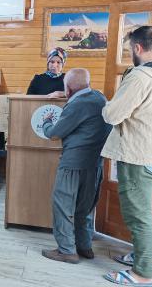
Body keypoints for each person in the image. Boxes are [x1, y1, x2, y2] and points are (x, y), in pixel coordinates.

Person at [100, 26, 152, 287]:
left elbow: (112, 115)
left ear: (137, 48)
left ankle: (143, 272)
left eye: (129, 49)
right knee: (144, 209)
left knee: (138, 215)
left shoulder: (140, 77)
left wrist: (104, 104)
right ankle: (142, 255)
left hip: (138, 154)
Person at [40, 68, 111, 264]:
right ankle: (84, 246)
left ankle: (66, 251)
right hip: (95, 163)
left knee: (63, 205)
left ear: (69, 89)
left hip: (73, 162)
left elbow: (54, 133)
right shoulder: (99, 98)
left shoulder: (76, 105)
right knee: (85, 207)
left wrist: (46, 123)